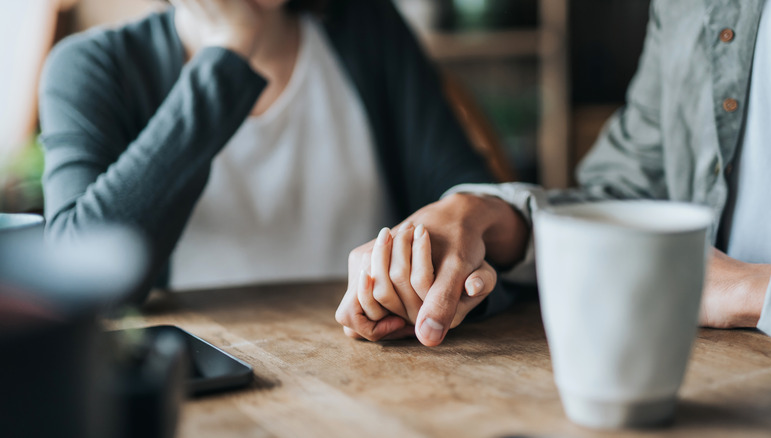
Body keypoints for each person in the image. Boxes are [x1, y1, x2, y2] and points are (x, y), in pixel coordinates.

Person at [337, 0, 771, 346]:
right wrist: (501, 225)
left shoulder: (364, 26)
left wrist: (754, 290)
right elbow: (624, 198)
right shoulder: (687, 8)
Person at [38, 0, 498, 295]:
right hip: (200, 382)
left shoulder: (366, 27)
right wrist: (228, 53)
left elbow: (473, 199)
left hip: (375, 358)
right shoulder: (90, 67)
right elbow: (81, 276)